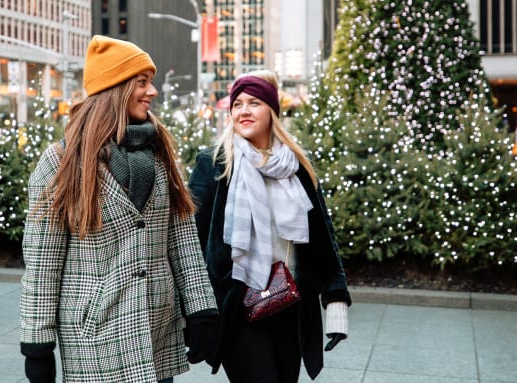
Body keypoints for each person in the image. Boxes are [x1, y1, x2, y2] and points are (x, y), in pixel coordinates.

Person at [19, 35, 219, 383]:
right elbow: (43, 260)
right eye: (141, 82)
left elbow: (182, 239)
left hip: (156, 327)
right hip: (96, 334)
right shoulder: (61, 161)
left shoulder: (159, 154)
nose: (152, 91)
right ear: (115, 88)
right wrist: (36, 343)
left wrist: (202, 309)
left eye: (150, 82)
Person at [188, 70, 352, 383]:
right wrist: (194, 312)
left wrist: (335, 301)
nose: (244, 110)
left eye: (255, 102)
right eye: (237, 104)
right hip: (236, 305)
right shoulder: (214, 164)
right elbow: (191, 240)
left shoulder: (297, 166)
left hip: (289, 303)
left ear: (272, 111)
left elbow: (322, 237)